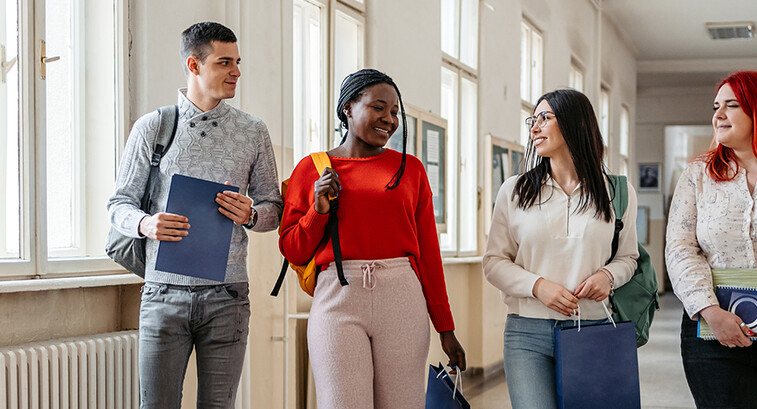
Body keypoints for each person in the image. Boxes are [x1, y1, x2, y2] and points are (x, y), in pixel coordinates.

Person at [107, 22, 282, 408]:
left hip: (228, 298)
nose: (237, 71)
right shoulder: (153, 127)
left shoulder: (252, 132)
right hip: (162, 296)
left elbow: (275, 209)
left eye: (238, 62)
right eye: (225, 62)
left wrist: (251, 214)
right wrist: (145, 223)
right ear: (194, 64)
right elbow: (118, 205)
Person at [279, 68, 466, 409]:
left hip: (402, 299)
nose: (389, 119)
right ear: (348, 107)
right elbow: (292, 247)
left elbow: (427, 254)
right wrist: (318, 210)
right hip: (337, 297)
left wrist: (445, 327)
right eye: (378, 107)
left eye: (395, 112)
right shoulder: (311, 169)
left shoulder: (410, 169)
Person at [482, 89, 639, 408]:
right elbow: (494, 262)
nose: (534, 127)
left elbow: (628, 257)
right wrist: (537, 287)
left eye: (545, 118)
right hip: (527, 334)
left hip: (593, 327)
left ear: (575, 124)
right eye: (533, 120)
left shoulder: (616, 192)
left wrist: (608, 276)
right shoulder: (515, 190)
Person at [665, 70, 757, 408]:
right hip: (711, 330)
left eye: (731, 105)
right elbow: (680, 248)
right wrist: (710, 311)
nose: (718, 115)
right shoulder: (697, 175)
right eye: (716, 106)